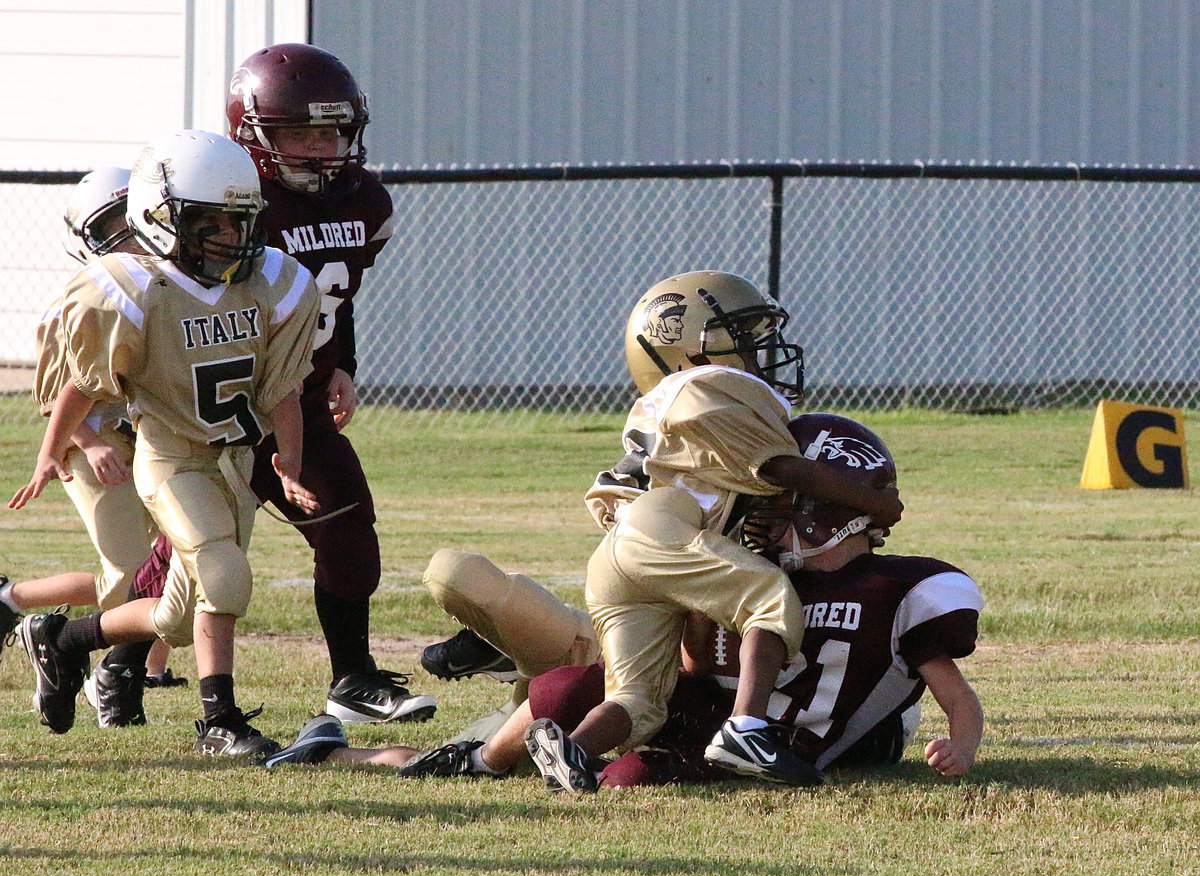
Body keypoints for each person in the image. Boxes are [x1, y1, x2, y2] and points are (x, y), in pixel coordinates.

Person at [262, 414, 982, 784]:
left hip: (741, 730)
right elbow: (689, 657)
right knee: (565, 683)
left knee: (618, 754)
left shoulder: (901, 588)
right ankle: (443, 759)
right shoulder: (748, 561)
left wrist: (963, 744)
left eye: (781, 505)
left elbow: (943, 690)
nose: (761, 518)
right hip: (667, 691)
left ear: (828, 510)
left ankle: (478, 749)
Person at [521, 271, 903, 791]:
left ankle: (572, 751)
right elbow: (782, 469)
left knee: (639, 700)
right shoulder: (706, 385)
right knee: (769, 599)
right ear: (682, 347)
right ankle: (746, 730)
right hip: (661, 532)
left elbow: (728, 489)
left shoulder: (669, 402)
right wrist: (873, 501)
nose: (760, 351)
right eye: (742, 337)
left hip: (621, 555)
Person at [9, 129, 320, 758]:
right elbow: (81, 380)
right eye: (211, 221)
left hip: (234, 462)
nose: (230, 237)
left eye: (238, 221)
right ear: (160, 216)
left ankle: (65, 641)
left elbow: (282, 388)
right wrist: (54, 449)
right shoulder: (130, 289)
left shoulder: (268, 282)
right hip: (172, 457)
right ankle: (220, 722)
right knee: (224, 573)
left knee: (176, 618)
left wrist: (289, 461)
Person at [225, 43, 434, 725]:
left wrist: (341, 360)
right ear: (253, 137)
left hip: (303, 406)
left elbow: (333, 299)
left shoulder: (364, 200)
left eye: (330, 131)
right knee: (192, 576)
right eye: (300, 133)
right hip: (220, 413)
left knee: (350, 535)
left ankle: (352, 679)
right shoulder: (230, 205)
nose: (320, 148)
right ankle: (87, 645)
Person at [0, 166, 181, 725]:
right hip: (95, 446)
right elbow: (56, 390)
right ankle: (39, 623)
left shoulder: (170, 285)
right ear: (88, 239)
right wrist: (88, 440)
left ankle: (132, 671)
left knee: (181, 560)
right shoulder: (80, 299)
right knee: (125, 578)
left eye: (134, 223)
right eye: (113, 227)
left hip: (151, 440)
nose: (128, 238)